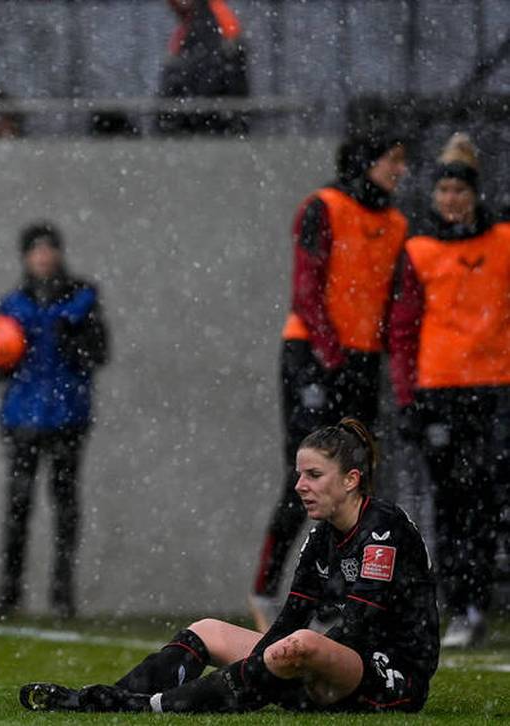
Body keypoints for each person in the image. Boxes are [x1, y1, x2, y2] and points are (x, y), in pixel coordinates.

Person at [20, 419, 439, 714]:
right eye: (299, 474)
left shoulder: (382, 528)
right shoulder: (321, 535)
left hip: (391, 676)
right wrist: (263, 662)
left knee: (303, 645)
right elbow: (292, 614)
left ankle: (155, 706)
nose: (299, 486)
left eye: (314, 475)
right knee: (209, 630)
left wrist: (267, 666)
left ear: (350, 480)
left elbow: (359, 624)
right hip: (333, 668)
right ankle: (103, 698)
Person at [250, 133, 408, 630]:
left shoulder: (397, 223)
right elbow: (307, 290)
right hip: (314, 356)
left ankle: (337, 599)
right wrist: (332, 356)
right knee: (306, 477)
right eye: (392, 160)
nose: (400, 170)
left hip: (363, 360)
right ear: (365, 161)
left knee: (354, 482)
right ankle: (265, 589)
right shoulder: (323, 207)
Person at [388, 132, 510, 649]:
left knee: (492, 497)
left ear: (475, 193)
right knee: (452, 503)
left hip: (498, 388)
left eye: (459, 190)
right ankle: (463, 604)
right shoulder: (419, 251)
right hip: (441, 390)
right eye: (444, 190)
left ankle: (477, 600)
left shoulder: (503, 241)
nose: (451, 199)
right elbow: (402, 329)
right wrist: (408, 398)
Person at [0, 223, 107, 620]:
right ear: (26, 257)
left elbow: (99, 353)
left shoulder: (81, 300)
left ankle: (62, 596)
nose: (43, 257)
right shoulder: (11, 306)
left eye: (49, 249)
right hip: (22, 418)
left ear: (59, 254)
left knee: (65, 506)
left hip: (68, 418)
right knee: (19, 504)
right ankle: (9, 594)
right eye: (36, 250)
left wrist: (73, 338)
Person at [157, 0, 248, 135]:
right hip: (208, 116)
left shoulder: (214, 16)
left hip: (210, 119)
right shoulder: (194, 20)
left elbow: (216, 69)